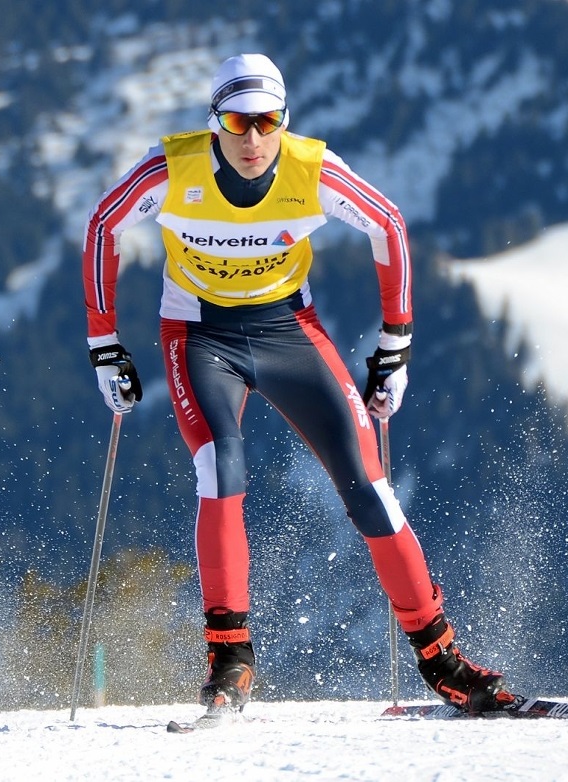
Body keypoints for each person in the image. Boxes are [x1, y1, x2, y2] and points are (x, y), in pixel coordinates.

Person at [82, 53, 513, 714]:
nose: (253, 138)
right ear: (214, 122)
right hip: (199, 335)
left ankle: (442, 661)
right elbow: (103, 225)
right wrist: (104, 345)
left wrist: (395, 346)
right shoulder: (171, 168)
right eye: (237, 121)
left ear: (285, 120)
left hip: (288, 331)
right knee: (220, 467)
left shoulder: (312, 169)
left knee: (369, 487)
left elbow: (389, 225)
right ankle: (230, 660)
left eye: (268, 120)